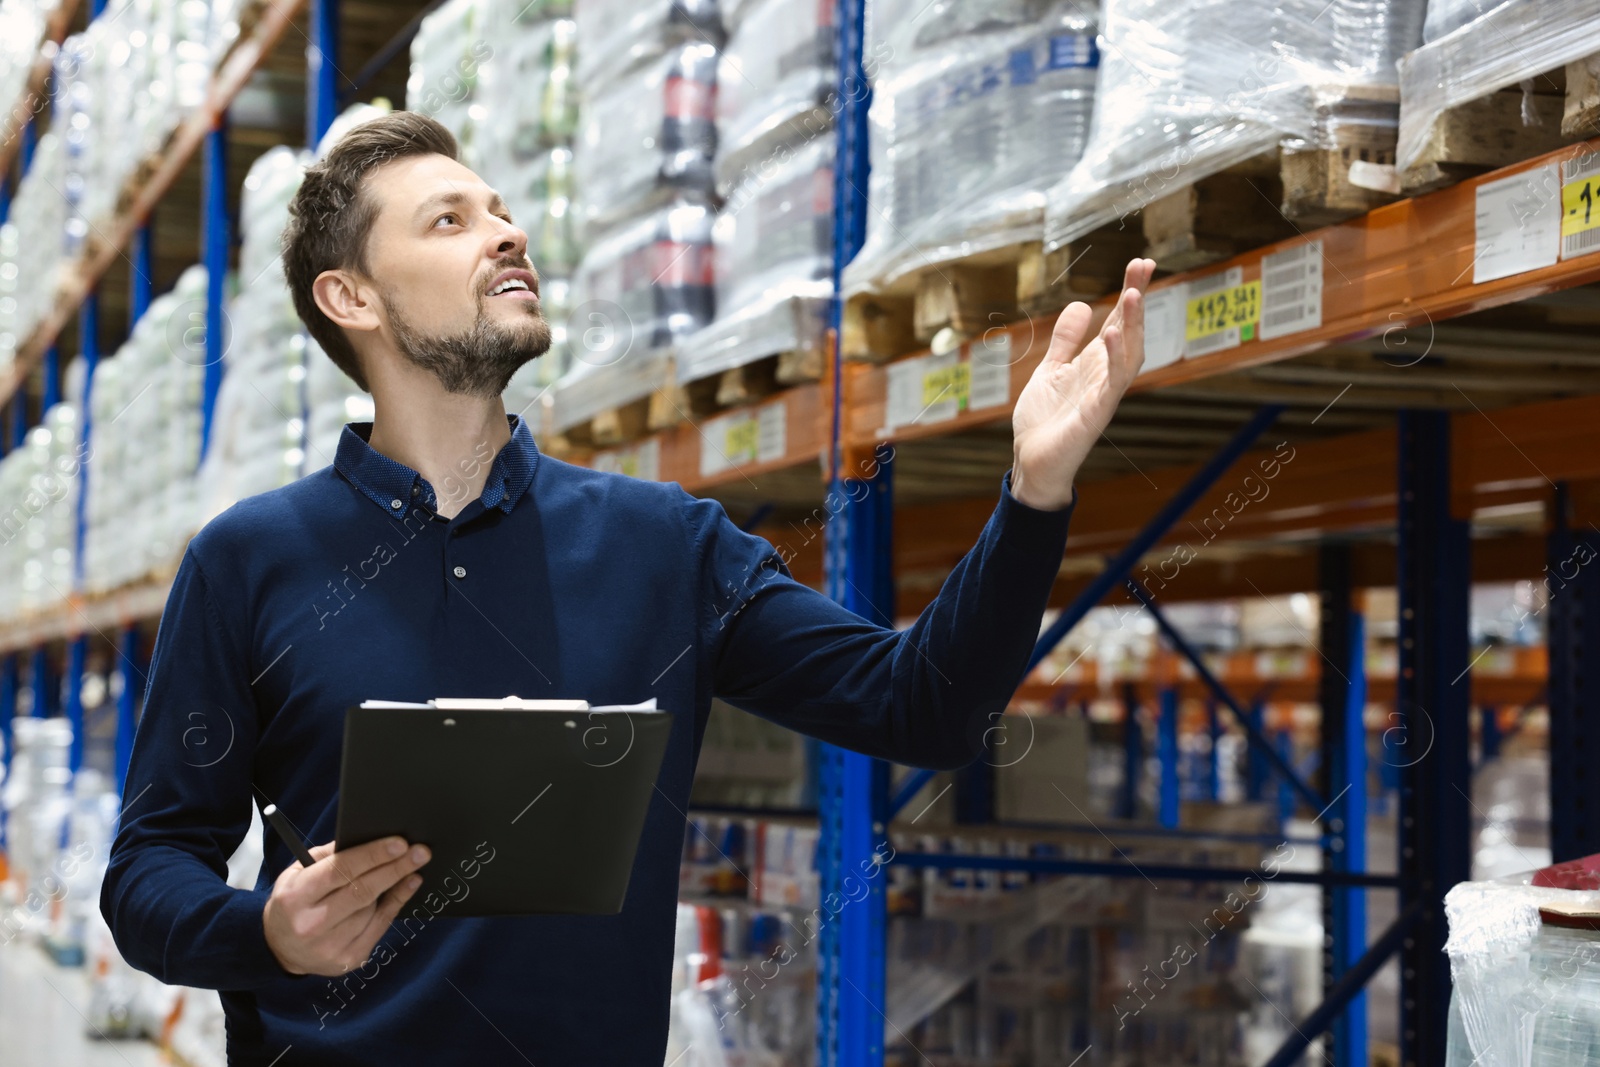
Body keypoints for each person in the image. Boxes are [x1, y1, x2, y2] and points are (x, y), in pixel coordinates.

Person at [100, 111, 1155, 1065]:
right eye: (450, 220)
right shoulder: (250, 559)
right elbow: (149, 866)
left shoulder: (662, 543)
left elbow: (923, 705)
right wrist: (267, 929)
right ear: (351, 297)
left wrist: (1032, 494)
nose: (507, 234)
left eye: (505, 212)